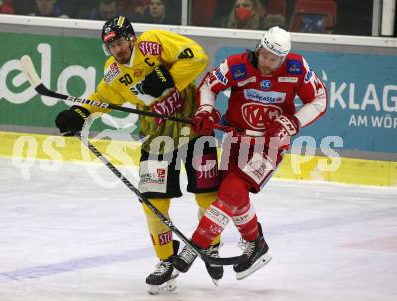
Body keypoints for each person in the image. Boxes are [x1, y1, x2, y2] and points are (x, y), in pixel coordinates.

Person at [54, 16, 222, 293]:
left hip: (194, 127)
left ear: (131, 37)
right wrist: (80, 113)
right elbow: (104, 98)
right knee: (153, 203)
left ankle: (211, 246)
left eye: (120, 42)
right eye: (111, 46)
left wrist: (167, 76)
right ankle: (166, 259)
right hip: (157, 137)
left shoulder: (155, 42)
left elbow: (198, 57)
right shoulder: (113, 71)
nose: (117, 50)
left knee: (207, 194)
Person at [173, 26, 328, 280]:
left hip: (270, 145)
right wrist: (205, 111)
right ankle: (256, 242)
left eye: (274, 59)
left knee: (231, 191)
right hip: (235, 139)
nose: (267, 63)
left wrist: (291, 124)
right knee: (235, 198)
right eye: (265, 55)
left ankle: (194, 246)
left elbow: (319, 99)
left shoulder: (297, 68)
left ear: (284, 58)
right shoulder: (237, 65)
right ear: (259, 47)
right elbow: (209, 86)